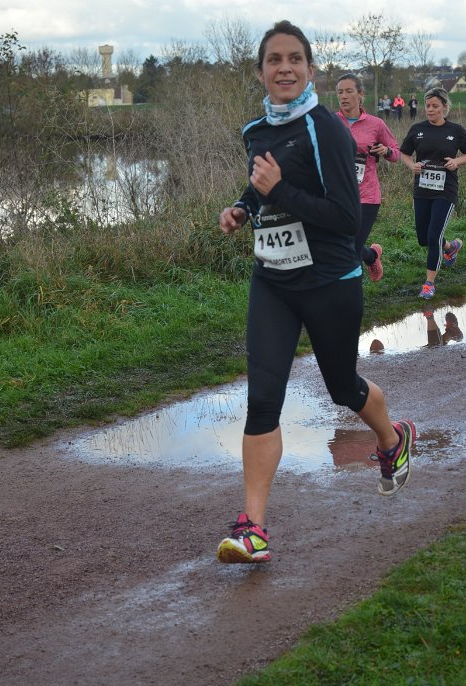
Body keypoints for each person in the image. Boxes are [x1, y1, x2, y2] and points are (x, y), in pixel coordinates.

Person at [216, 20, 417, 564]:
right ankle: (253, 530)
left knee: (342, 387)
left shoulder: (325, 128)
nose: (284, 67)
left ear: (310, 69)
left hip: (329, 281)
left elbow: (346, 218)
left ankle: (392, 438)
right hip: (273, 281)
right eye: (274, 59)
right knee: (263, 398)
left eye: (294, 59)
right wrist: (243, 208)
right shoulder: (256, 130)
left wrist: (279, 190)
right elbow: (259, 186)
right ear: (261, 71)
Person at [400, 87, 466, 299]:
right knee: (423, 238)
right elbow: (404, 153)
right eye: (427, 106)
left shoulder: (456, 130)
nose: (430, 109)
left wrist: (456, 161)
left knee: (434, 235)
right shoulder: (417, 129)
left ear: (444, 107)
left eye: (435, 106)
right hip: (422, 189)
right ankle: (451, 247)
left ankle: (429, 284)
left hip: (446, 190)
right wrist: (412, 166)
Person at [336, 73, 400, 281]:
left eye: (349, 91)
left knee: (351, 248)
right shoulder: (330, 123)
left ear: (360, 94)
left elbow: (396, 153)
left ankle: (350, 294)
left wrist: (386, 151)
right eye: (340, 92)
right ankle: (372, 255)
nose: (344, 96)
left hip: (367, 195)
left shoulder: (376, 124)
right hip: (338, 195)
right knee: (340, 245)